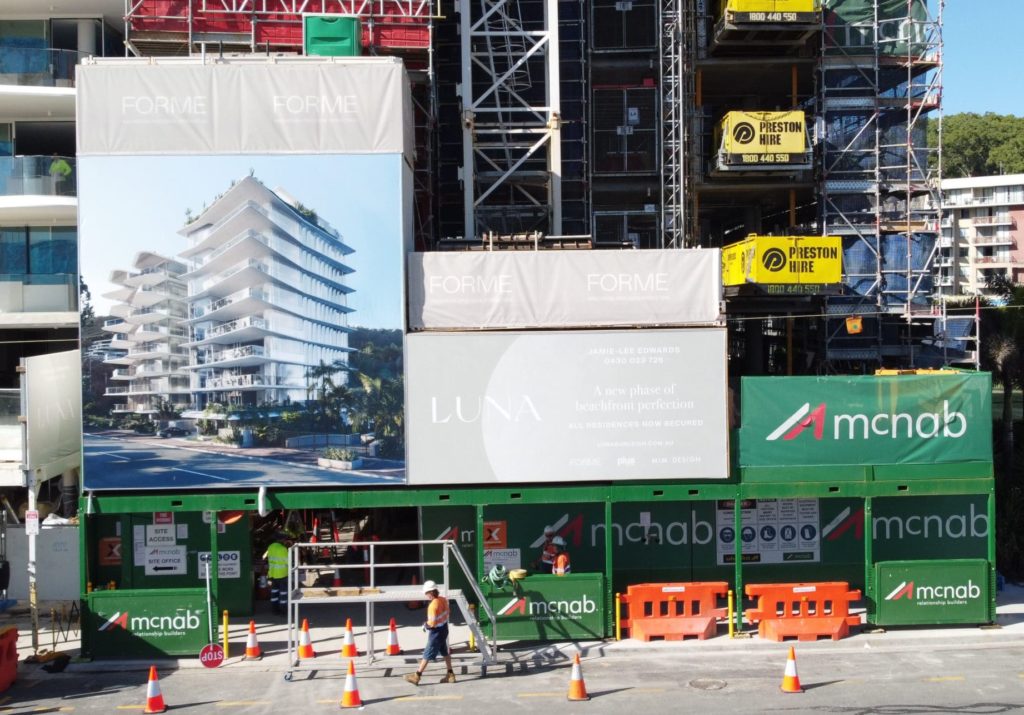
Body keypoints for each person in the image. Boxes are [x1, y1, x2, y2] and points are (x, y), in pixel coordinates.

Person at [405, 580, 455, 685]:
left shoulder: (432, 606)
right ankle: (450, 674)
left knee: (427, 654)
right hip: (444, 629)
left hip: (436, 633)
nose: (426, 595)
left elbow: (432, 623)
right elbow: (447, 613)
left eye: (426, 593)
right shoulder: (443, 600)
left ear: (431, 593)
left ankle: (417, 676)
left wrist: (425, 625)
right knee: (445, 652)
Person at [263, 533, 292, 615]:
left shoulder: (270, 547)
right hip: (282, 574)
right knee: (283, 594)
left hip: (272, 574)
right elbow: (287, 562)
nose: (285, 541)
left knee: (274, 593)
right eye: (284, 539)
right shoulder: (283, 549)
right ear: (281, 540)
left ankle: (274, 610)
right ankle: (283, 611)